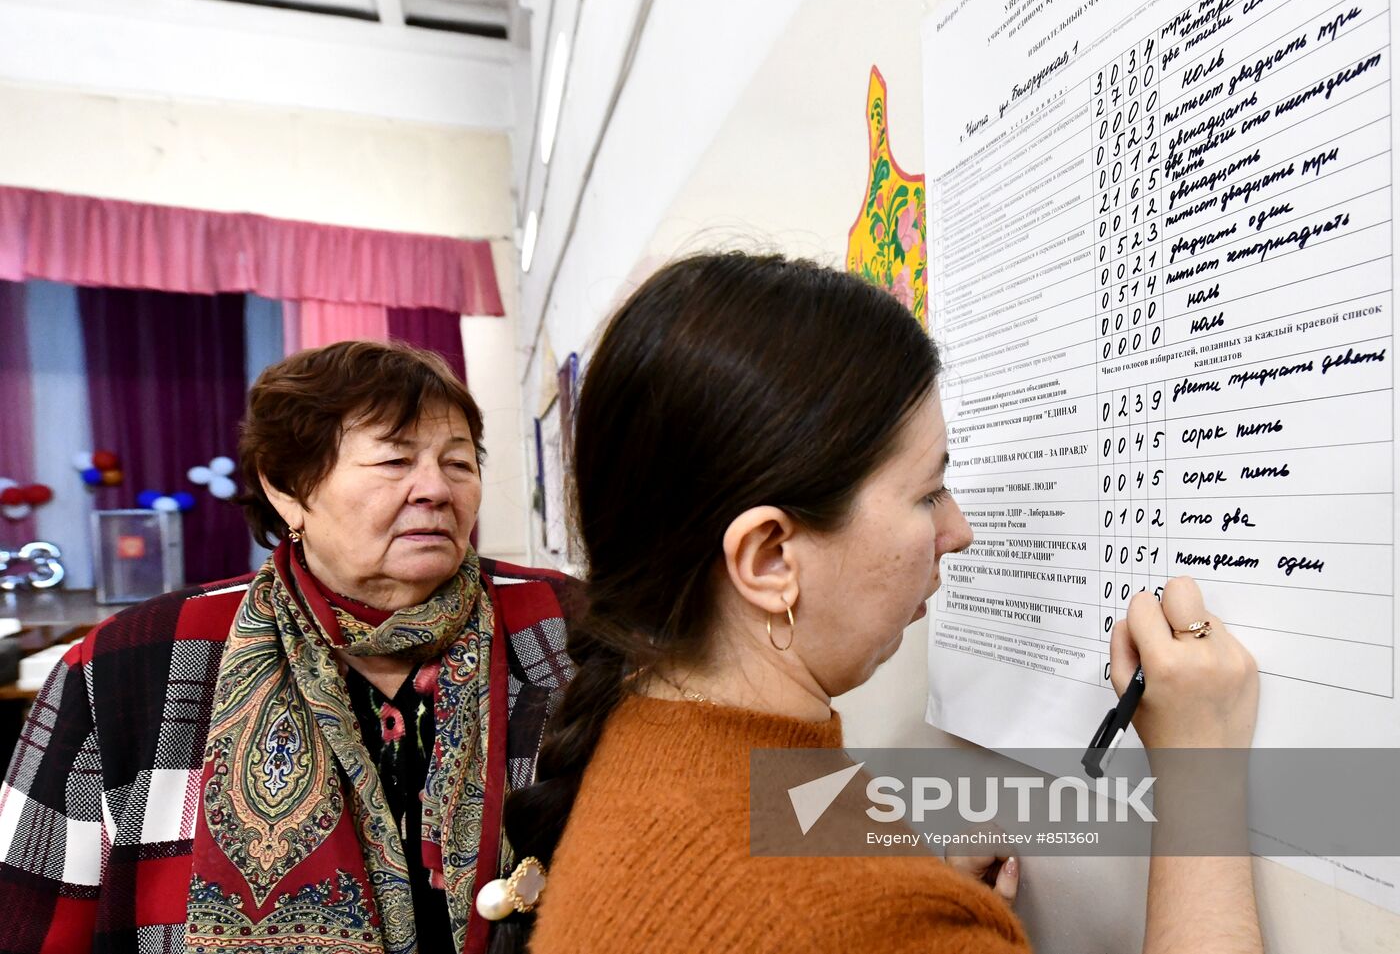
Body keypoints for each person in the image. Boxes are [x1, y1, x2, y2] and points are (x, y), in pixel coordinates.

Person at [485, 253, 1263, 953]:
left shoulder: (643, 730)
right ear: (770, 558)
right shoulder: (858, 915)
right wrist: (1201, 775)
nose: (958, 530)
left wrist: (913, 880)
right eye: (927, 493)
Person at [0, 341, 578, 954]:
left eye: (459, 463)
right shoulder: (134, 660)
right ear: (287, 489)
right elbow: (29, 916)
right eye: (394, 461)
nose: (435, 489)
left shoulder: (569, 629)